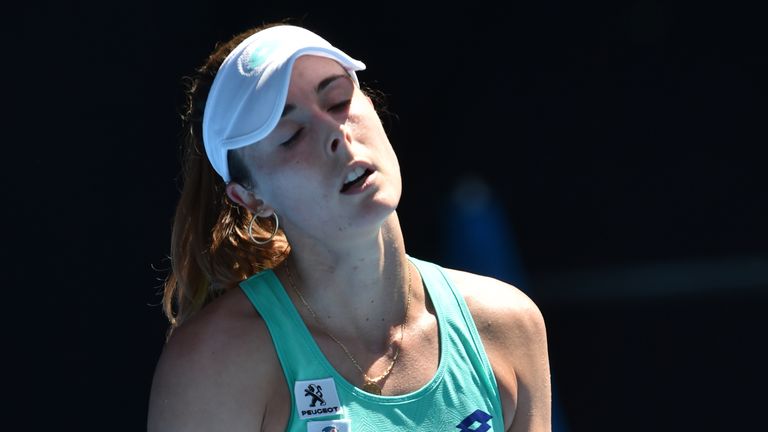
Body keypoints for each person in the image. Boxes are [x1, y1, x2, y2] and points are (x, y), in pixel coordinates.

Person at [147, 22, 552, 432]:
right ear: (250, 198)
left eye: (338, 100)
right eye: (291, 135)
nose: (335, 133)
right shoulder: (216, 364)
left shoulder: (508, 324)